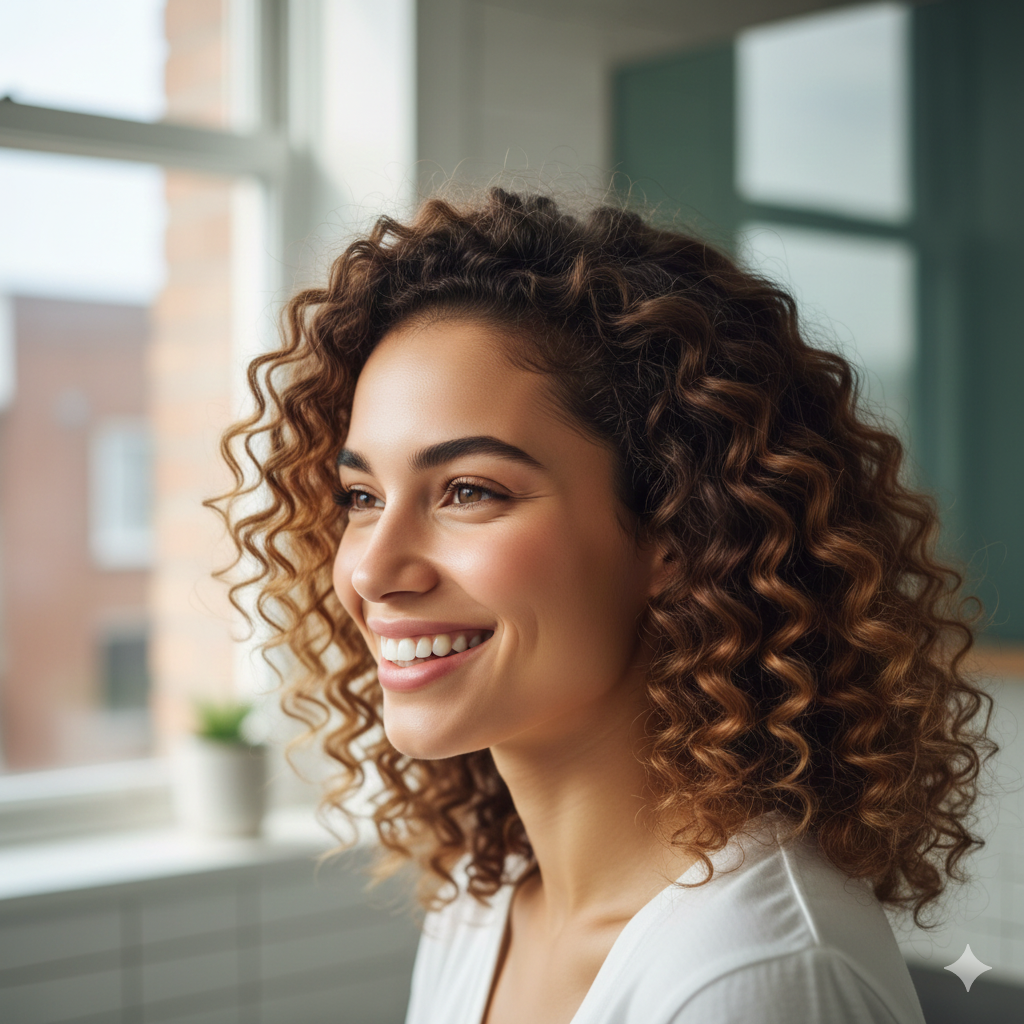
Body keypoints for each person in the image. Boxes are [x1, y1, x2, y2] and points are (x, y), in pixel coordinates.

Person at [211, 188, 996, 1023]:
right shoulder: (486, 905)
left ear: (674, 532)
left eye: (468, 491)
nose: (371, 569)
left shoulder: (751, 980)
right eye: (361, 495)